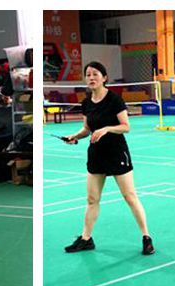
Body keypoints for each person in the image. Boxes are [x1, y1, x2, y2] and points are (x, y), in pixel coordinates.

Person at [61, 61, 154, 256]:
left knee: (130, 196)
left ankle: (146, 237)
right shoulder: (86, 103)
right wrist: (74, 137)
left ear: (104, 78)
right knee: (92, 199)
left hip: (116, 152)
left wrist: (106, 129)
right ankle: (86, 239)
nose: (91, 77)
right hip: (96, 154)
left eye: (95, 74)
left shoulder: (114, 100)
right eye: (88, 74)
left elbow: (126, 126)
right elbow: (87, 129)